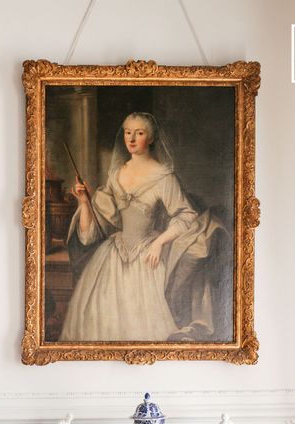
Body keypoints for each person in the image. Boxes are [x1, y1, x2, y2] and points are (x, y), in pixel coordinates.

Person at [59, 112, 225, 342]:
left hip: (147, 257)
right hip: (113, 257)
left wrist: (159, 243)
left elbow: (187, 215)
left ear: (152, 138)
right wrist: (84, 202)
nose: (132, 139)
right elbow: (90, 234)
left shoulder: (163, 177)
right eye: (128, 132)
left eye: (139, 133)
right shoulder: (117, 175)